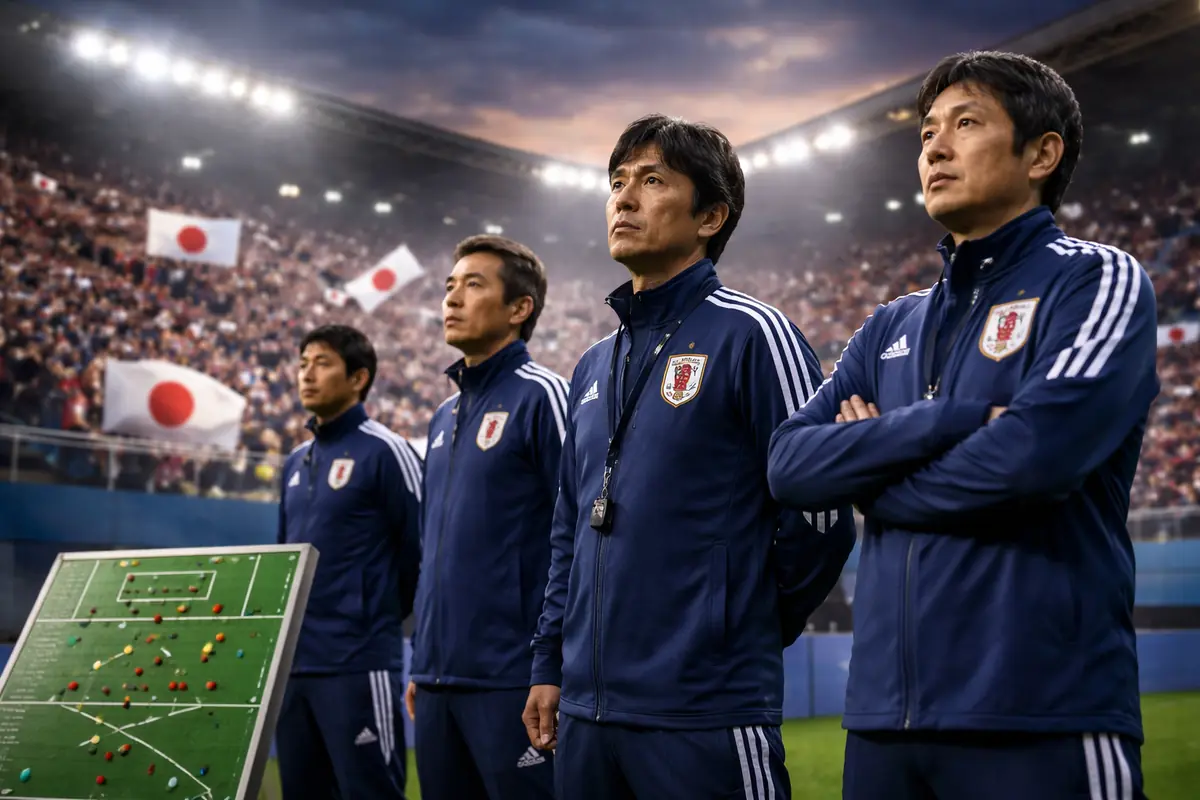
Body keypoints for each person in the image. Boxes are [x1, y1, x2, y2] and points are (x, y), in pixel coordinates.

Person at [766, 51, 1158, 800]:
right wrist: (951, 420)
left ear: (1042, 153)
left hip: (1043, 713)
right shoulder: (889, 325)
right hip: (883, 727)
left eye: (966, 123)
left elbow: (1032, 457)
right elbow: (787, 465)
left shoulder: (1095, 279)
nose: (934, 148)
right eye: (926, 133)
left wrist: (873, 484)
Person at [523, 114, 856, 799]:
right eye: (618, 181)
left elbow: (820, 510)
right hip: (586, 716)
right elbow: (567, 530)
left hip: (706, 710)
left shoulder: (754, 334)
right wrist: (550, 663)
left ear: (710, 215)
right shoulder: (590, 366)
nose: (624, 197)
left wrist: (736, 626)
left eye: (652, 180)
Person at [405, 235, 565, 799]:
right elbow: (432, 550)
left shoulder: (544, 396)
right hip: (438, 680)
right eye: (450, 286)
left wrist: (553, 665)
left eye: (474, 285)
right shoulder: (442, 415)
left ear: (520, 309)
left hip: (514, 680)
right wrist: (425, 662)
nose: (452, 298)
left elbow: (578, 536)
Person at [276, 324, 423, 800]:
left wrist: (369, 612)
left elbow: (419, 554)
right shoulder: (294, 463)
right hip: (295, 670)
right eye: (302, 364)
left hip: (358, 663)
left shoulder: (387, 451)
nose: (306, 374)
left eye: (321, 363)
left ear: (359, 378)